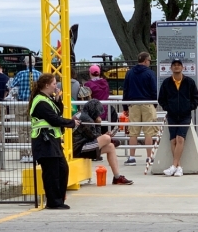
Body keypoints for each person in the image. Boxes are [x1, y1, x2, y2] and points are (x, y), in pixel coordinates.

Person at [29, 73, 80, 209]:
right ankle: (53, 202)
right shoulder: (40, 101)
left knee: (62, 169)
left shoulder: (48, 99)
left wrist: (58, 99)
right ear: (46, 85)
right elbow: (54, 119)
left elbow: (57, 113)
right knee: (51, 173)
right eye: (53, 84)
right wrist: (71, 123)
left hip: (52, 140)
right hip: (44, 141)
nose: (56, 86)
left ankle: (59, 199)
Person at [157, 59, 198, 177]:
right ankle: (178, 167)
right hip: (172, 115)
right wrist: (168, 107)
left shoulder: (189, 82)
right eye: (174, 65)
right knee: (173, 140)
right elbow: (161, 99)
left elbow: (196, 98)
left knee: (180, 139)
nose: (176, 67)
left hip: (185, 115)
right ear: (171, 68)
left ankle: (173, 165)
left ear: (182, 67)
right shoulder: (166, 82)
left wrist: (189, 107)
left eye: (179, 65)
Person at [73, 98, 132, 185]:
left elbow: (91, 136)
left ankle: (117, 177)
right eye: (98, 113)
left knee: (111, 147)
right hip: (79, 148)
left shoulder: (82, 114)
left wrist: (103, 136)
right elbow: (94, 137)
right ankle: (111, 140)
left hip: (80, 146)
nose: (99, 115)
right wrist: (98, 124)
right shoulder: (86, 119)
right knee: (107, 139)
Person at [122, 51, 158, 166]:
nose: (149, 62)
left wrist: (125, 106)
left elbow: (125, 90)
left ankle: (132, 157)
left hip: (133, 104)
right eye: (149, 61)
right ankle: (149, 157)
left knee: (133, 132)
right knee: (149, 132)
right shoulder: (150, 73)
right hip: (148, 104)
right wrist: (154, 104)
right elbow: (154, 90)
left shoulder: (129, 73)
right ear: (146, 61)